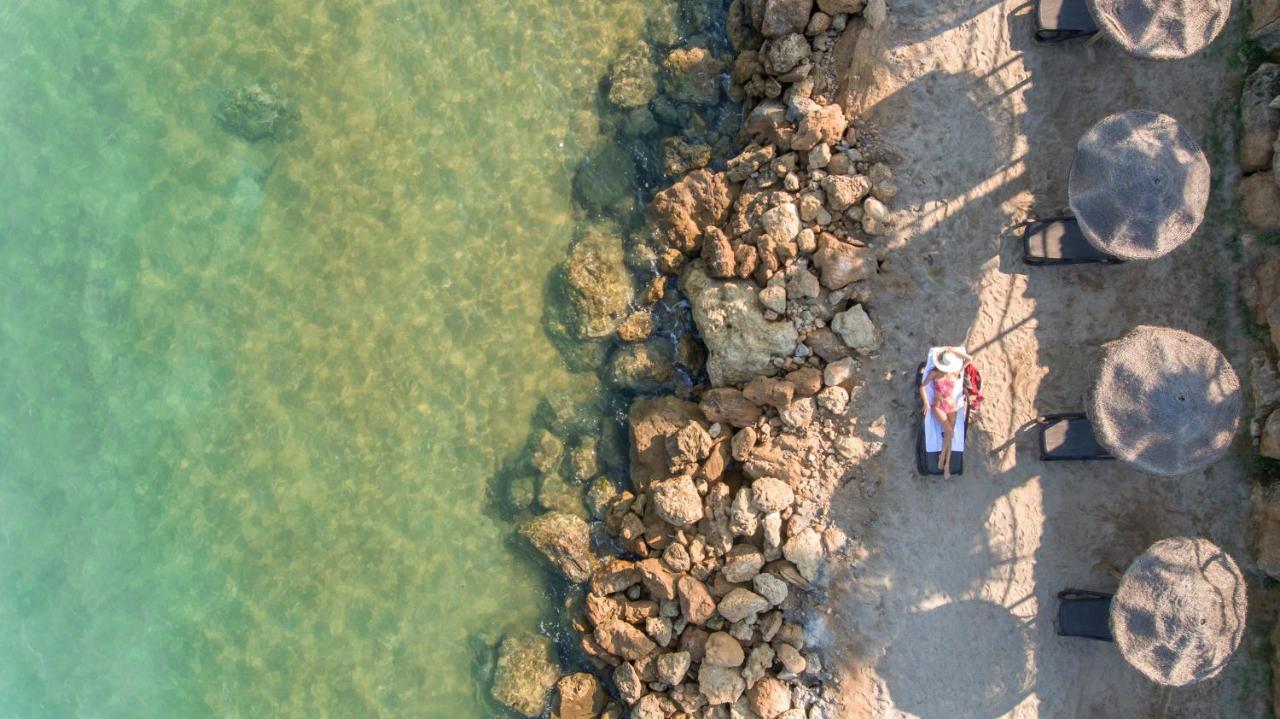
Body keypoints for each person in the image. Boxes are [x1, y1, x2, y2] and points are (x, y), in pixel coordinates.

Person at [919, 346, 972, 479]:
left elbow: (969, 359)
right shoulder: (934, 373)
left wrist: (952, 350)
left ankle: (946, 463)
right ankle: (943, 459)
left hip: (952, 406)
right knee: (949, 432)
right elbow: (922, 387)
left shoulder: (955, 372)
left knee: (949, 435)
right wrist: (926, 401)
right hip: (938, 406)